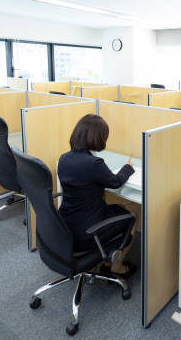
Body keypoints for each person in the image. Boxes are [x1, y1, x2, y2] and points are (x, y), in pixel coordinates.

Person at [58, 114, 136, 277]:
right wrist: (128, 167)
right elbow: (116, 182)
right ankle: (116, 267)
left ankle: (107, 259)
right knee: (131, 217)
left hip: (65, 229)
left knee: (118, 208)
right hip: (86, 233)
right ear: (98, 137)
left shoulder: (64, 158)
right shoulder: (94, 164)